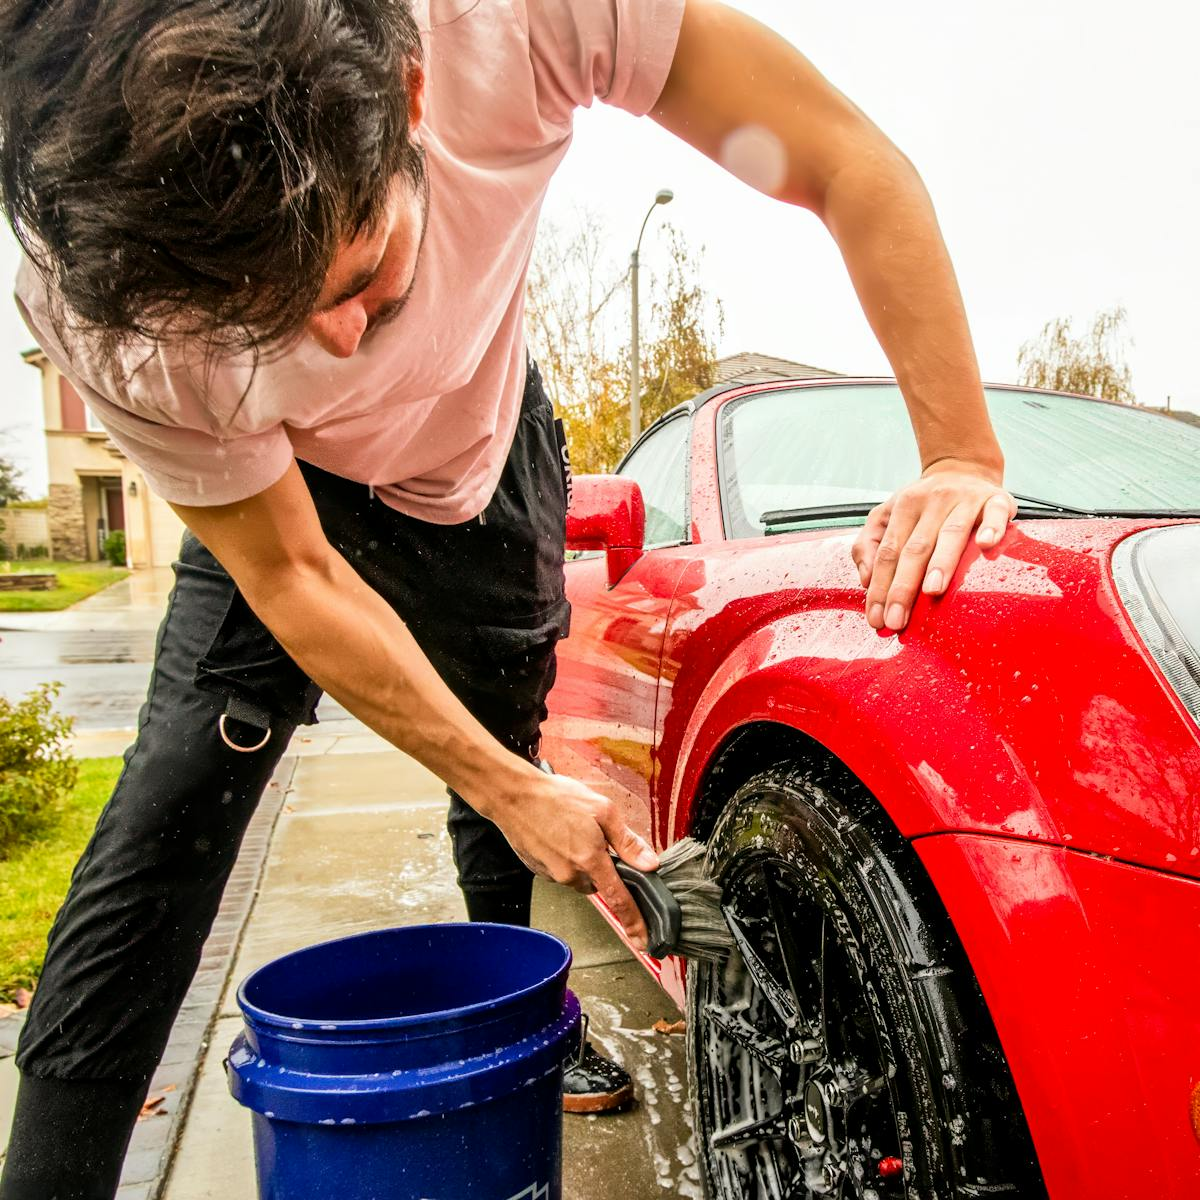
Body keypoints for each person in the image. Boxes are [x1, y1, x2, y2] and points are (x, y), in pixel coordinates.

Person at [0, 0, 1016, 1195]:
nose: (334, 347)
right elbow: (290, 576)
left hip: (482, 474)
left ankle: (525, 1001)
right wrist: (503, 778)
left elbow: (846, 159)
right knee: (163, 817)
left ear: (414, 93)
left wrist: (960, 453)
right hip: (279, 500)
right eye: (264, 326)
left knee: (505, 787)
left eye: (364, 273)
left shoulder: (518, 20)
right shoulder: (102, 301)